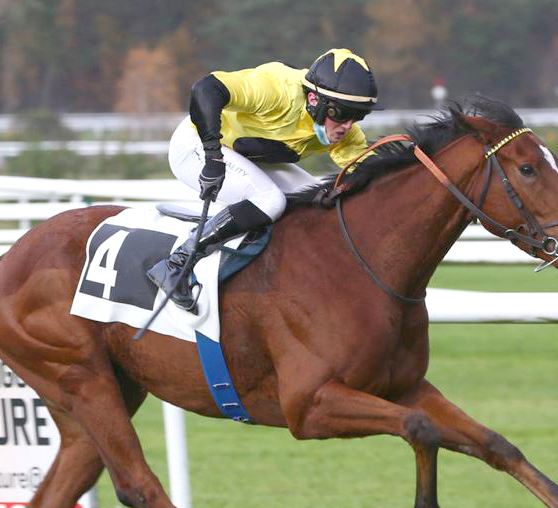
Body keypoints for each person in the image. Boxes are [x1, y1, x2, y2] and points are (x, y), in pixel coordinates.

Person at [146, 48, 383, 312]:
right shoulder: (276, 89)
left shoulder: (345, 133)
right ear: (315, 99)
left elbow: (371, 172)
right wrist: (212, 157)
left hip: (244, 157)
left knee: (316, 203)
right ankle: (177, 264)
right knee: (270, 201)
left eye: (358, 115)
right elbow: (205, 89)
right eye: (341, 113)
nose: (349, 125)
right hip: (196, 145)